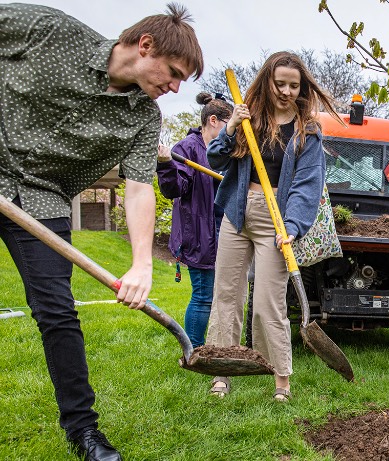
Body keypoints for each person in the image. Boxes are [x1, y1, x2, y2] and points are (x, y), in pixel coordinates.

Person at [0, 4, 202, 460]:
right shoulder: (50, 31)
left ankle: (84, 433)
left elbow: (137, 190)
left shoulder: (143, 118)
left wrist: (142, 262)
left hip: (41, 198)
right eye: (172, 74)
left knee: (57, 313)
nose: (173, 88)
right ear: (145, 45)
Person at [205, 51, 343, 400]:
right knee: (227, 295)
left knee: (269, 302)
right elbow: (216, 159)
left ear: (302, 88)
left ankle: (280, 379)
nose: (286, 91)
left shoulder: (307, 130)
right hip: (237, 213)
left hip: (277, 220)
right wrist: (232, 127)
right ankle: (222, 370)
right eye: (279, 83)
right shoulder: (250, 117)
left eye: (293, 85)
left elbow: (307, 184)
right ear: (268, 81)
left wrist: (293, 226)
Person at [157, 92, 233, 348]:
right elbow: (173, 189)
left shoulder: (227, 149)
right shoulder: (187, 149)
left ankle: (213, 343)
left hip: (226, 230)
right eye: (229, 124)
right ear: (214, 120)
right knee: (203, 295)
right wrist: (166, 164)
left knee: (220, 295)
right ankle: (194, 350)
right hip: (199, 233)